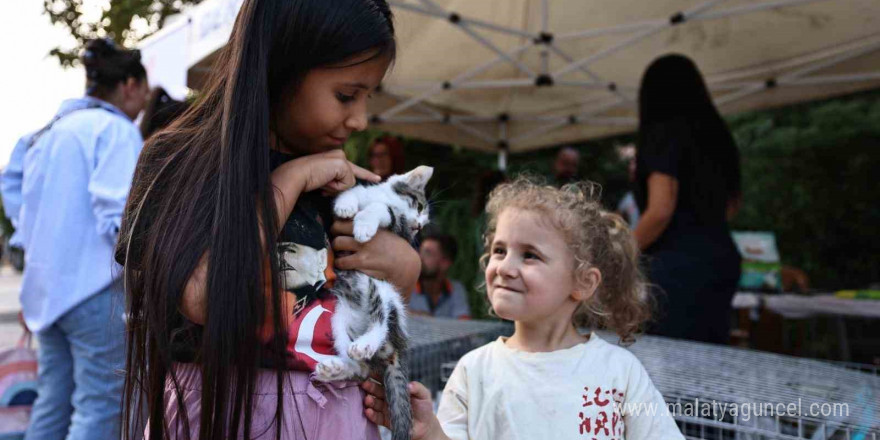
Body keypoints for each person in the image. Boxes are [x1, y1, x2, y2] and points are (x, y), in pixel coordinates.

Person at [114, 1, 420, 439]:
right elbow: (204, 297)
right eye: (345, 95)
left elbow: (366, 325)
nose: (360, 120)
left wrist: (403, 270)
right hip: (220, 413)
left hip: (341, 416)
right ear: (280, 69)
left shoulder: (341, 184)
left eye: (368, 97)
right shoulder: (175, 161)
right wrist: (289, 180)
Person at [362, 177, 683, 440]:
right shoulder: (474, 371)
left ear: (583, 282)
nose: (504, 266)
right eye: (499, 251)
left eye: (530, 255)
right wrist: (430, 432)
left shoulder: (620, 371)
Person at [0, 38, 148, 440]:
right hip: (95, 287)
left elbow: (10, 188)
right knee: (99, 406)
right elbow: (119, 216)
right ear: (131, 85)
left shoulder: (45, 133)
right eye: (145, 92)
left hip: (46, 292)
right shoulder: (114, 129)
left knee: (52, 402)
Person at [633, 54, 742, 344]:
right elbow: (731, 207)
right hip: (722, 256)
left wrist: (619, 256)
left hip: (678, 265)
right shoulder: (717, 136)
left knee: (671, 367)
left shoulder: (663, 131)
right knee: (710, 363)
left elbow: (660, 210)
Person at [409, 233, 471, 319]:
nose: (420, 258)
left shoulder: (456, 289)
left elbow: (464, 324)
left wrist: (421, 317)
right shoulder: (407, 287)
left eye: (427, 253)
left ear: (445, 263)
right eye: (420, 252)